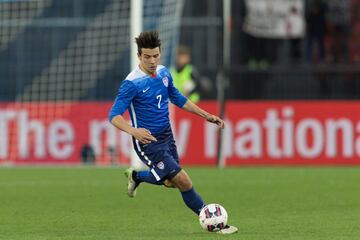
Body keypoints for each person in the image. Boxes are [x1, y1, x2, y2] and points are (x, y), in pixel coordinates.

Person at [108, 30, 238, 234]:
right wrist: (134, 131)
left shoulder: (163, 73)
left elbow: (177, 98)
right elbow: (114, 116)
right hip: (148, 141)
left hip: (167, 135)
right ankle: (214, 223)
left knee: (170, 182)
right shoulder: (131, 83)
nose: (152, 60)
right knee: (183, 179)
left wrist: (206, 115)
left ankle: (137, 176)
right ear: (139, 56)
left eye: (156, 55)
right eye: (147, 57)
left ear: (160, 53)